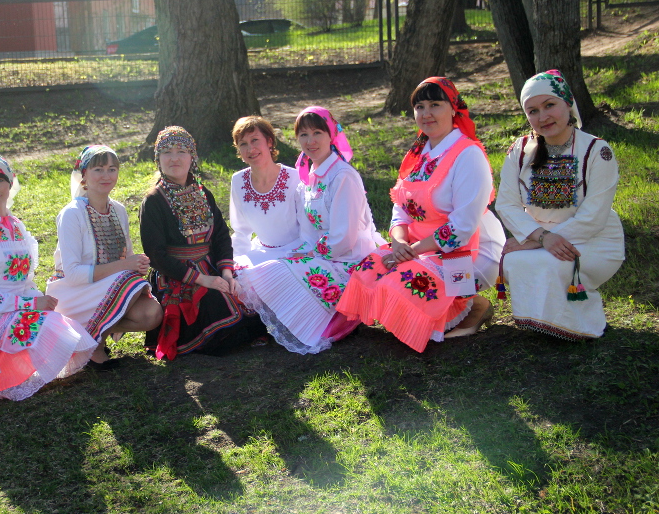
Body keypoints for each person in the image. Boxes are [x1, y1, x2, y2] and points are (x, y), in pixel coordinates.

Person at [337, 77, 504, 353]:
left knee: (404, 284)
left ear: (454, 108)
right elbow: (400, 206)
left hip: (468, 250)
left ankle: (470, 305)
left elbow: (462, 227)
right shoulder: (418, 153)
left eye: (435, 104)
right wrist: (399, 242)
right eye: (419, 107)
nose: (426, 113)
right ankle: (445, 308)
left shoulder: (468, 155)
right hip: (418, 245)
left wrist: (412, 251)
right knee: (369, 269)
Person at [0, 154, 97, 400]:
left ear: (10, 182)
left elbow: (24, 280)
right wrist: (30, 304)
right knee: (49, 328)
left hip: (19, 306)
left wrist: (38, 301)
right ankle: (1, 374)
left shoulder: (15, 225)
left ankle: (20, 367)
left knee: (64, 328)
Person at [237, 106, 386, 354]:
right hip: (322, 253)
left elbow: (344, 237)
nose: (310, 141)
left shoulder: (343, 176)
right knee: (267, 269)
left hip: (349, 259)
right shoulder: (308, 177)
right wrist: (302, 252)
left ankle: (324, 322)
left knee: (277, 272)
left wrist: (311, 254)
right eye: (303, 135)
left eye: (317, 133)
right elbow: (307, 232)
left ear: (331, 135)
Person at [496, 69, 624, 340]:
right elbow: (506, 205)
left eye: (549, 105)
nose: (542, 117)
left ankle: (582, 324)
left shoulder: (597, 150)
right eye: (532, 111)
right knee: (513, 260)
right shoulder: (519, 150)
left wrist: (539, 241)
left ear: (568, 104)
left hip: (593, 240)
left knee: (555, 263)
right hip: (540, 237)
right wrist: (542, 238)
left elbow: (594, 217)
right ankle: (543, 322)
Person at [139, 126, 265, 360]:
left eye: (181, 151)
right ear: (158, 159)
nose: (174, 158)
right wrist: (203, 279)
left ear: (192, 157)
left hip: (211, 267)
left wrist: (226, 274)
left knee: (249, 294)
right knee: (213, 304)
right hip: (178, 276)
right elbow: (157, 256)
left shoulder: (202, 192)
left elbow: (221, 236)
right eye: (166, 152)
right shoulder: (153, 201)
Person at [46, 145, 163, 369]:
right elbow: (73, 274)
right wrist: (125, 266)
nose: (106, 176)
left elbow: (127, 257)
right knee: (129, 281)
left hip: (110, 288)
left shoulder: (118, 210)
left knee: (152, 313)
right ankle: (94, 347)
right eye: (98, 169)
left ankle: (91, 334)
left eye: (112, 169)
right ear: (84, 175)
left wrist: (137, 264)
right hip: (73, 292)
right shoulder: (71, 213)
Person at [228, 116, 303, 267]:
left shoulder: (296, 178)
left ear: (269, 141)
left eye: (255, 140)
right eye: (243, 144)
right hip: (262, 253)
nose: (250, 149)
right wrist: (235, 263)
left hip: (295, 254)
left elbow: (309, 229)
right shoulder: (238, 181)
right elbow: (241, 232)